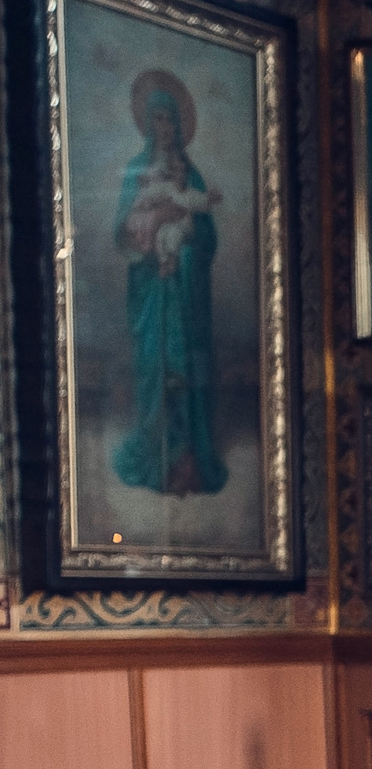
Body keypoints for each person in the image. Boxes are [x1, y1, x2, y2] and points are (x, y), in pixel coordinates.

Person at [113, 74, 225, 496]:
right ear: (146, 123)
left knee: (185, 371)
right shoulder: (137, 174)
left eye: (170, 120)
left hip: (183, 292)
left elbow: (207, 236)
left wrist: (185, 249)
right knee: (154, 370)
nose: (165, 127)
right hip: (151, 290)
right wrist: (152, 233)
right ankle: (156, 457)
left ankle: (186, 463)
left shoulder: (189, 174)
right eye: (157, 119)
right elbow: (122, 236)